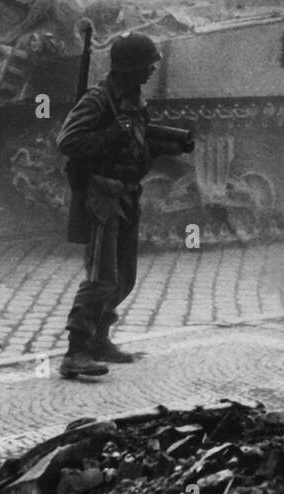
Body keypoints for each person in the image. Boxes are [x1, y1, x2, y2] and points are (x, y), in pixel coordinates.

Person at [58, 32, 188, 379]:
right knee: (102, 277)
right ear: (130, 67)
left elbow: (134, 139)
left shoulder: (131, 99)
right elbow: (68, 140)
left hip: (128, 194)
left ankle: (100, 339)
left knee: (124, 278)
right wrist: (112, 135)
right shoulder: (99, 100)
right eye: (147, 65)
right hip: (102, 196)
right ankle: (75, 351)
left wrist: (161, 145)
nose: (151, 71)